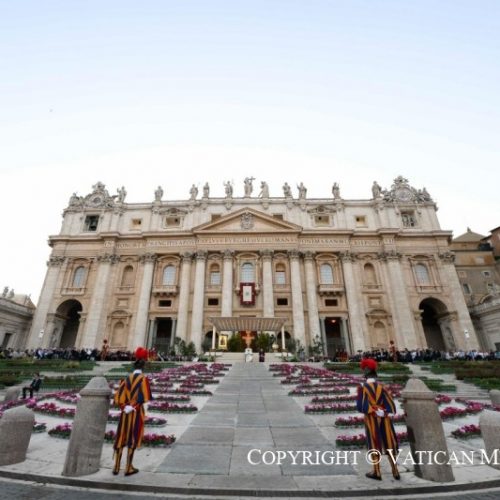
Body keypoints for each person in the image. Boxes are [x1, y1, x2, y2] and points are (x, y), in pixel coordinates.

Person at [356, 358, 400, 481]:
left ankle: (377, 472)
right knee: (389, 441)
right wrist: (383, 412)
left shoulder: (363, 387)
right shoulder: (382, 387)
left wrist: (373, 410)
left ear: (365, 373)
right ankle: (395, 470)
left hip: (372, 418)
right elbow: (390, 405)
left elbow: (361, 406)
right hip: (384, 418)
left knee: (374, 442)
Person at [112, 347, 152, 476]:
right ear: (144, 365)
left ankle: (116, 467)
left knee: (121, 436)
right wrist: (133, 406)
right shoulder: (143, 379)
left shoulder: (126, 379)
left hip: (125, 413)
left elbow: (119, 397)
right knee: (133, 437)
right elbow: (144, 397)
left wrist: (124, 407)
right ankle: (128, 467)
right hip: (136, 412)